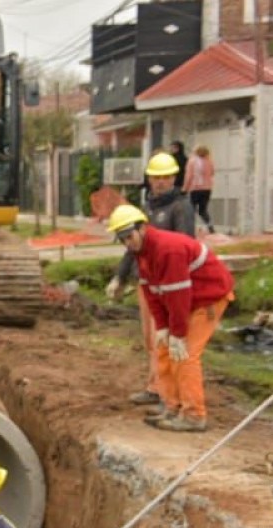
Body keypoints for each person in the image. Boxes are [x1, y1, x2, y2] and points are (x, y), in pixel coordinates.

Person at [106, 203, 235, 433]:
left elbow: (178, 296)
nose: (127, 243)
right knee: (163, 350)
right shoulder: (142, 252)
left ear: (142, 228)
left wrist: (178, 333)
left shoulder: (168, 250)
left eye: (129, 236)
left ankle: (193, 416)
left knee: (185, 355)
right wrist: (163, 328)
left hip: (208, 298)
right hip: (186, 299)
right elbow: (152, 292)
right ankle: (172, 406)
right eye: (122, 239)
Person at [107, 151, 197, 411]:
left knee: (167, 338)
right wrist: (120, 276)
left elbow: (184, 246)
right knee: (152, 338)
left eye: (166, 177)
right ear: (149, 179)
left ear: (174, 178)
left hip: (168, 282)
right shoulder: (147, 208)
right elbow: (132, 247)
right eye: (156, 177)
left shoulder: (180, 207)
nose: (161, 182)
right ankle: (155, 386)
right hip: (147, 281)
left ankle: (169, 393)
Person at [184, 145, 216, 234]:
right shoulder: (210, 161)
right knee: (203, 210)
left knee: (191, 210)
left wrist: (185, 188)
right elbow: (212, 173)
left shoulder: (192, 161)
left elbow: (189, 176)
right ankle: (210, 227)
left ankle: (189, 229)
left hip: (195, 188)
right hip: (207, 188)